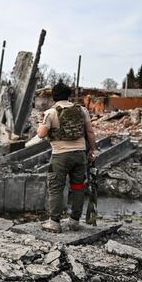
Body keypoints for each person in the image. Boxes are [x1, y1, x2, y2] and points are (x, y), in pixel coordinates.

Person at [36, 81, 96, 233]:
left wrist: (40, 123)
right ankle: (74, 221)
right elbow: (90, 132)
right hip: (80, 155)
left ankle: (54, 222)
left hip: (60, 156)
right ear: (69, 95)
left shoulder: (51, 112)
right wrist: (92, 151)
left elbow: (41, 134)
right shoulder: (82, 110)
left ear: (54, 97)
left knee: (56, 188)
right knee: (78, 187)